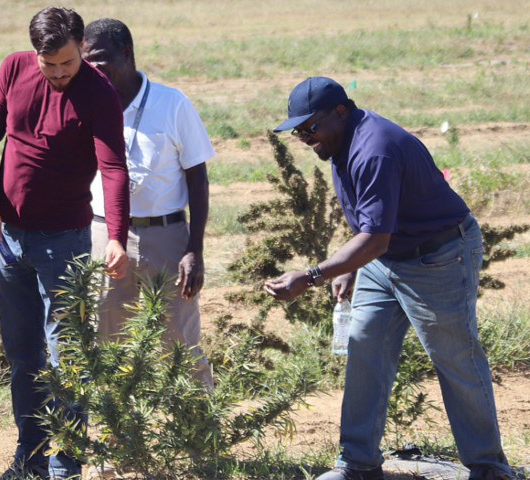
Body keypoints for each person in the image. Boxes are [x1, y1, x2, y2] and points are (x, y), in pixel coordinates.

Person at [264, 76, 513, 480]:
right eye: (297, 131)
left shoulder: (374, 148)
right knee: (365, 349)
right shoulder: (340, 143)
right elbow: (374, 225)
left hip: (438, 256)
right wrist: (350, 265)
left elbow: (376, 236)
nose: (305, 137)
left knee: (454, 358)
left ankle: (489, 467)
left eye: (310, 127)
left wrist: (311, 276)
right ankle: (358, 463)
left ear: (340, 112)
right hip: (388, 256)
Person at [0, 6, 129, 480]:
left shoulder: (99, 93)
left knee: (67, 356)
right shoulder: (14, 67)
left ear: (81, 48)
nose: (58, 73)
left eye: (67, 63)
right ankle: (30, 457)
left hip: (64, 240)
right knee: (23, 355)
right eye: (49, 65)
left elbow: (114, 169)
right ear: (34, 53)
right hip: (9, 240)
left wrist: (117, 236)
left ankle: (67, 464)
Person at [82, 18, 215, 388]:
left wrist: (194, 249)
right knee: (106, 344)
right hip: (105, 238)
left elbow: (198, 178)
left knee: (180, 346)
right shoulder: (84, 102)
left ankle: (199, 439)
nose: (93, 69)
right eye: (86, 61)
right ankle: (116, 438)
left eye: (100, 59)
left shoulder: (172, 103)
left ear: (127, 53)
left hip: (166, 237)